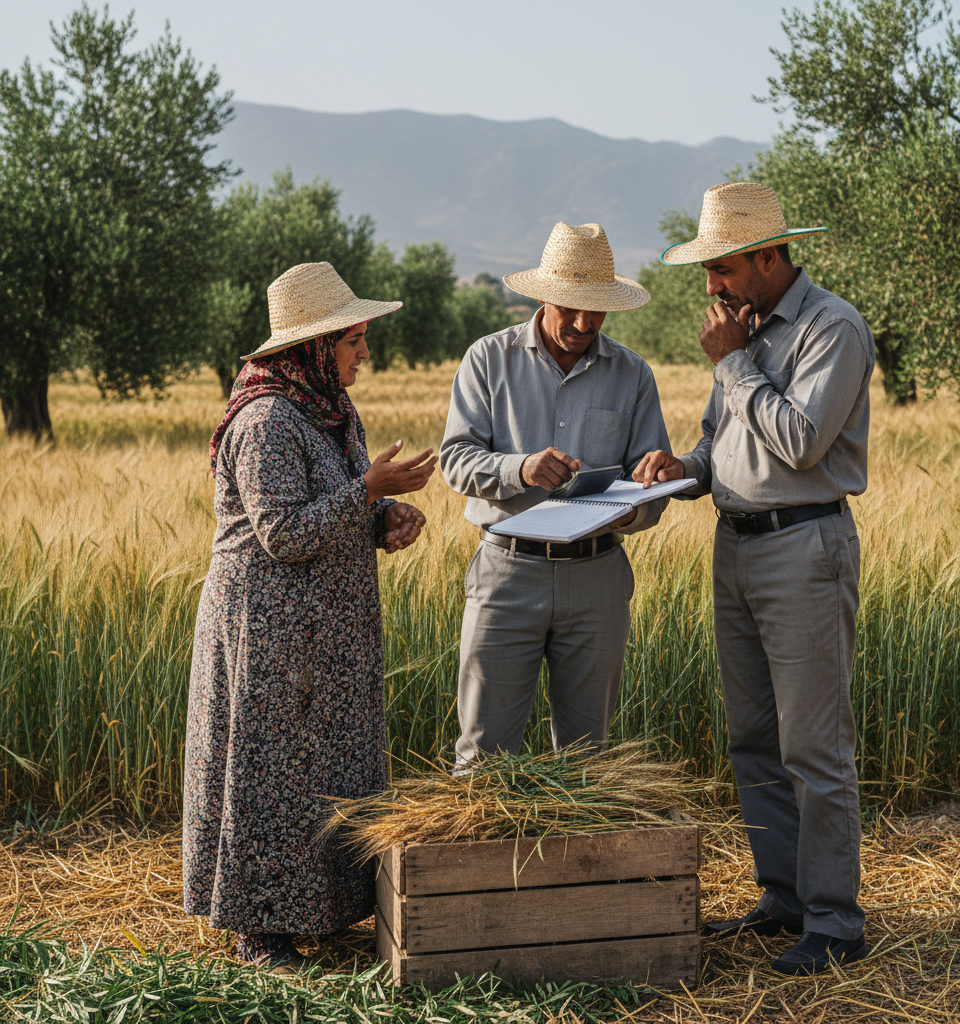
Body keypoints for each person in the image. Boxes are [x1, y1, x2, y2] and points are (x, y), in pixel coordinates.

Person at [634, 182, 875, 976]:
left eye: (724, 269)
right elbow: (723, 443)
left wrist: (733, 363)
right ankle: (785, 899)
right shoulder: (743, 331)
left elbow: (802, 443)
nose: (711, 287)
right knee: (754, 740)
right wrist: (682, 470)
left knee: (815, 747)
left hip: (804, 548)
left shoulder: (830, 328)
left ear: (770, 257)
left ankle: (835, 922)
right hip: (736, 546)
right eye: (707, 271)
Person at [183, 262, 437, 972]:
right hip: (267, 637)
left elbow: (337, 504)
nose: (364, 353)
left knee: (326, 772)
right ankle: (259, 928)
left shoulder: (330, 411)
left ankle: (318, 912)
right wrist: (367, 491)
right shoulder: (265, 420)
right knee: (270, 775)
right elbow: (283, 534)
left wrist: (386, 514)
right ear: (314, 347)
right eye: (354, 340)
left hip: (327, 636)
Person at [440, 222, 672, 767]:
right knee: (482, 756)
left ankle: (578, 857)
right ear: (542, 295)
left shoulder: (634, 374)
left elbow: (655, 485)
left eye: (597, 309)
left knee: (587, 760)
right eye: (570, 306)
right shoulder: (487, 361)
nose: (583, 322)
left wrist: (638, 502)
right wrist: (522, 469)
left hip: (598, 577)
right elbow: (455, 461)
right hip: (507, 574)